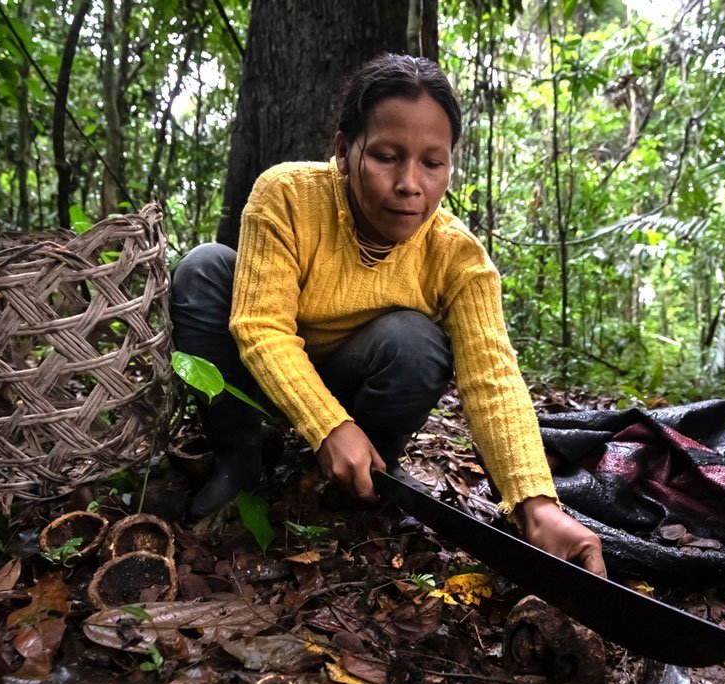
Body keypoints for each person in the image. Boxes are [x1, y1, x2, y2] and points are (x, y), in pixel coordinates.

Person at [170, 53, 605, 575]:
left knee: (415, 340)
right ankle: (239, 458)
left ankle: (370, 469)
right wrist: (327, 425)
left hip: (356, 385)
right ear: (343, 151)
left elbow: (493, 376)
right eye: (386, 156)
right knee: (205, 268)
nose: (409, 184)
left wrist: (538, 505)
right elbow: (260, 325)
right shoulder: (287, 195)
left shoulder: (456, 255)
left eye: (432, 163)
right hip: (262, 379)